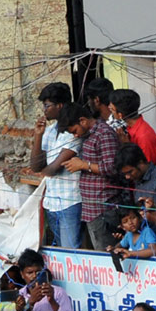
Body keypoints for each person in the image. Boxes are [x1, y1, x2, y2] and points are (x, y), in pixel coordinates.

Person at [57, 103, 119, 250]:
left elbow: (112, 168)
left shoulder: (104, 134)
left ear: (83, 120)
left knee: (106, 254)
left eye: (75, 131)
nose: (76, 135)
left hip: (104, 207)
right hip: (92, 208)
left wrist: (83, 165)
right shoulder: (88, 136)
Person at [30, 82, 82, 247]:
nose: (44, 110)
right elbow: (36, 166)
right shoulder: (51, 130)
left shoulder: (75, 131)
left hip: (70, 201)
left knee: (70, 251)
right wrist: (38, 135)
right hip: (51, 201)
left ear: (60, 105)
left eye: (47, 105)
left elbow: (52, 169)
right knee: (59, 252)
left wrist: (43, 170)